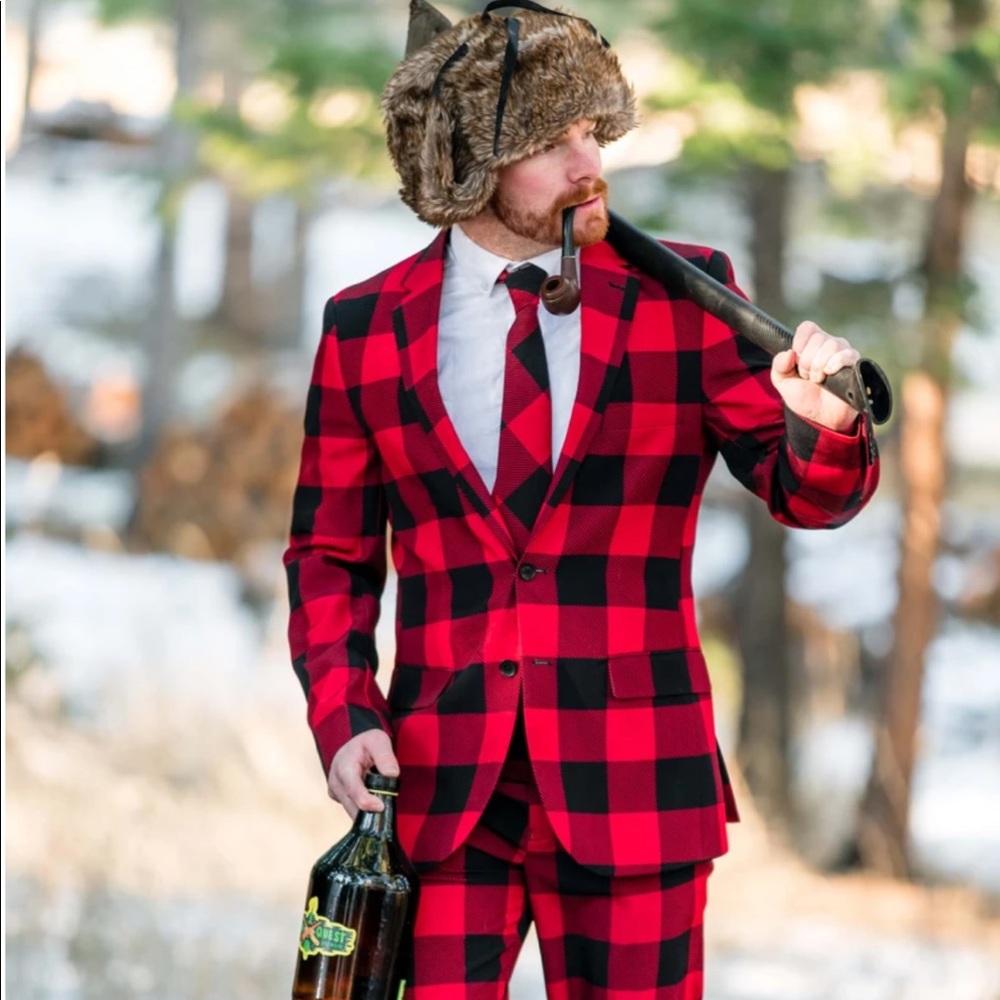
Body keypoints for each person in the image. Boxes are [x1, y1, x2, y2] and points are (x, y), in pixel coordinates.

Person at [284, 2, 881, 997]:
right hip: (438, 792)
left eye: (591, 133)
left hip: (637, 778)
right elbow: (328, 556)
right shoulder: (363, 328)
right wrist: (344, 714)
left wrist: (819, 423)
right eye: (549, 142)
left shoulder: (686, 297)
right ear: (468, 161)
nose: (587, 163)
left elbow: (806, 497)